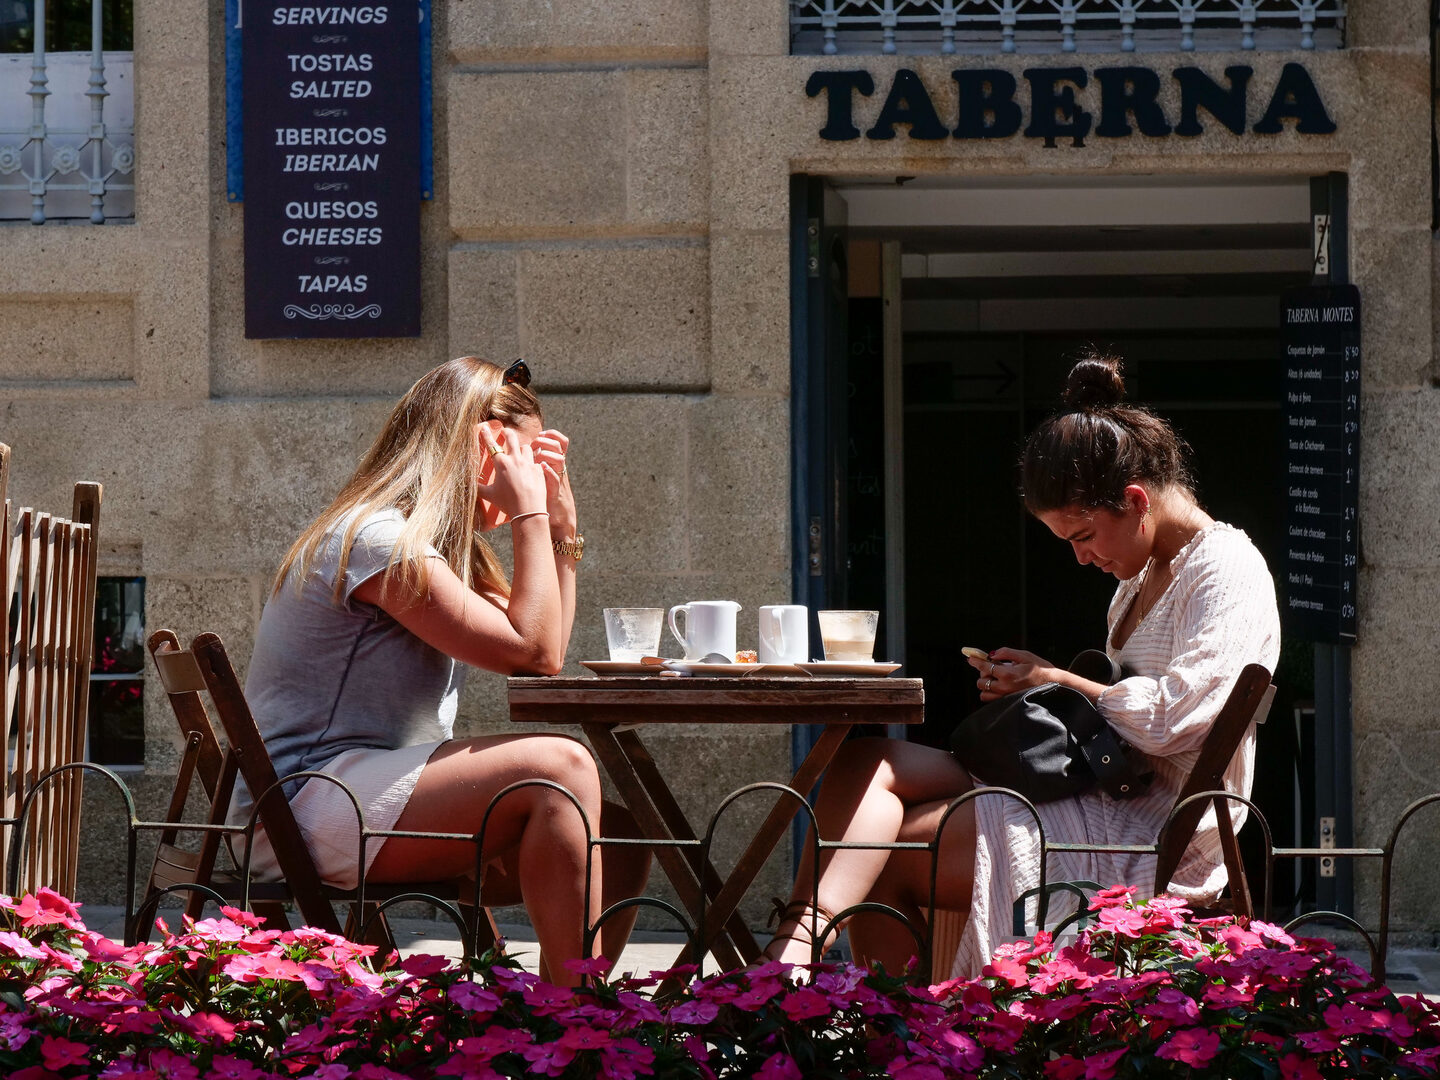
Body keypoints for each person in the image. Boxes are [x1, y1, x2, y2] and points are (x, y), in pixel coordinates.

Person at [763, 351, 1280, 978]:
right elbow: (1124, 713)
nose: (1081, 558)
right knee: (866, 759)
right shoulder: (1139, 579)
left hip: (1152, 829)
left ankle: (868, 1009)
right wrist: (1045, 685)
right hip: (1097, 787)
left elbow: (1180, 718)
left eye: (1082, 536)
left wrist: (1055, 680)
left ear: (1136, 500)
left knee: (889, 854)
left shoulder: (1226, 569)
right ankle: (798, 943)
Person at [229, 356, 649, 986]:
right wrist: (531, 515)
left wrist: (563, 531)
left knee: (617, 833)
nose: (534, 474)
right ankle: (574, 1018)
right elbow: (533, 651)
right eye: (524, 455)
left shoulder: (433, 549)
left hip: (356, 795)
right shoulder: (377, 540)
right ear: (481, 445)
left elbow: (546, 648)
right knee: (561, 767)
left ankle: (566, 1004)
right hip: (302, 808)